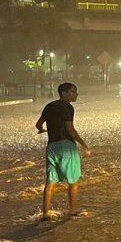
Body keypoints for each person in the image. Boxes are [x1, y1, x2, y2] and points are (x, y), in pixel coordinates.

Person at [35, 82, 91, 219]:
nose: (76, 94)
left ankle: (46, 213)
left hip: (52, 147)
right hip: (66, 146)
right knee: (74, 179)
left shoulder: (49, 106)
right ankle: (73, 209)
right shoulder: (68, 107)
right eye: (73, 92)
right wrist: (84, 145)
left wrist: (42, 130)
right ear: (64, 93)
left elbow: (38, 124)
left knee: (51, 181)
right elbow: (70, 129)